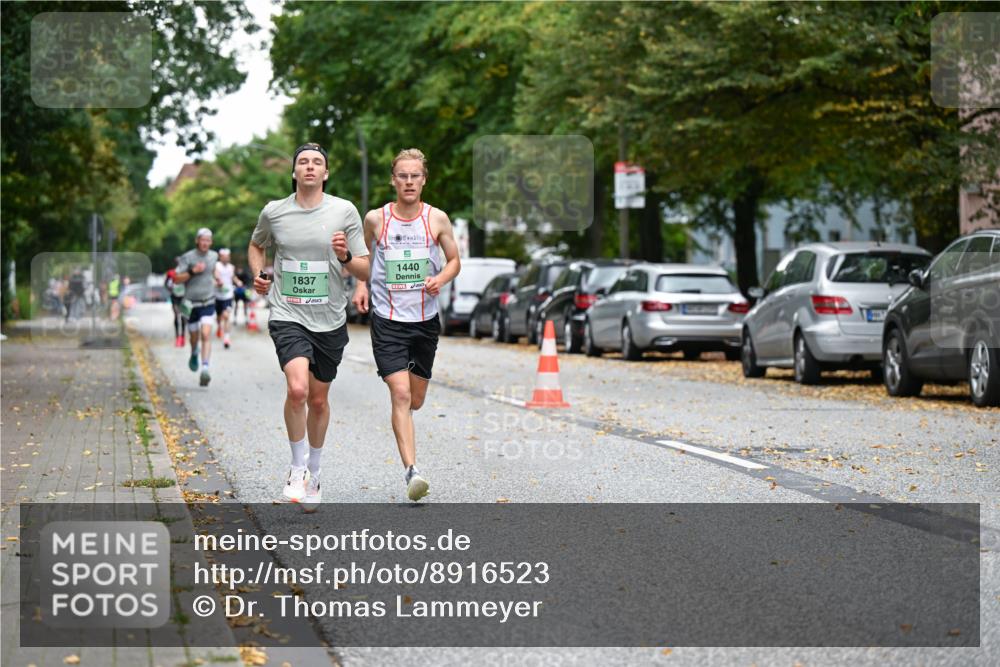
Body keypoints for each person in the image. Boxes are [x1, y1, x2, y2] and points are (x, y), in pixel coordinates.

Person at [248, 142, 369, 512]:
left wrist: (345, 256)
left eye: (317, 162)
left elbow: (365, 268)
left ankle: (314, 472)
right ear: (294, 171)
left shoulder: (344, 211)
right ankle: (297, 466)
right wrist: (259, 274)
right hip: (288, 313)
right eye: (303, 162)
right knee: (297, 389)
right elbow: (256, 246)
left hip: (329, 318)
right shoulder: (275, 211)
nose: (310, 167)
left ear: (326, 173)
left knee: (318, 399)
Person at [352, 148, 461, 502]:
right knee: (400, 394)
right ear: (393, 180)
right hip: (388, 320)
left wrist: (440, 279)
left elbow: (454, 260)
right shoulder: (376, 219)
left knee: (416, 398)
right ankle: (412, 472)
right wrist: (361, 285)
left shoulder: (437, 219)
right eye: (403, 175)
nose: (409, 181)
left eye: (415, 175)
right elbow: (364, 257)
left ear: (424, 180)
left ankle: (408, 434)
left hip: (425, 321)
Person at [174, 229, 219, 386]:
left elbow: (213, 272)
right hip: (191, 304)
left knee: (206, 334)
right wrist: (192, 271)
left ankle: (205, 369)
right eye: (203, 240)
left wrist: (217, 279)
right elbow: (176, 279)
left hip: (208, 301)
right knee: (194, 338)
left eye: (208, 240)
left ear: (211, 242)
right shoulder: (188, 257)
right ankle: (194, 352)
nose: (205, 243)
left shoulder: (214, 256)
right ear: (197, 241)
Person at [213, 248, 241, 349]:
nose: (226, 258)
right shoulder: (216, 265)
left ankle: (226, 338)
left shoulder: (231, 267)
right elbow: (215, 275)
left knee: (226, 316)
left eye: (227, 257)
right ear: (220, 257)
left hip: (228, 295)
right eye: (224, 257)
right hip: (218, 295)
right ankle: (219, 326)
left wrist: (238, 282)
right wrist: (218, 281)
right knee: (219, 317)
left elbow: (232, 277)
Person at [165, 261, 187, 347]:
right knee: (177, 315)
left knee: (183, 317)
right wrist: (171, 288)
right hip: (175, 297)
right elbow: (166, 284)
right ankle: (178, 337)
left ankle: (183, 337)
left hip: (185, 297)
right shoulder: (171, 273)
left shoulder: (186, 272)